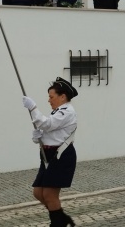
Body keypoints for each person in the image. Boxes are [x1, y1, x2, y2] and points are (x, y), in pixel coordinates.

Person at [21, 77, 79, 227]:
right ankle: (60, 217)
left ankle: (57, 223)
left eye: (51, 97)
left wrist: (33, 108)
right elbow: (51, 132)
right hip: (48, 155)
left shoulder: (68, 112)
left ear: (63, 96)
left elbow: (47, 124)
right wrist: (38, 138)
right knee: (38, 193)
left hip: (61, 156)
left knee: (49, 194)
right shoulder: (58, 111)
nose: (49, 100)